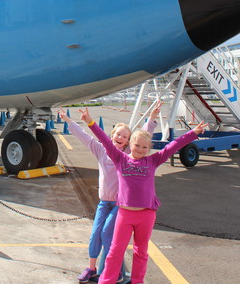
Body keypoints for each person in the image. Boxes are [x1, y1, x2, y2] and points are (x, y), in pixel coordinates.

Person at [83, 113, 207, 284]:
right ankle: (107, 280)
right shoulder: (120, 159)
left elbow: (173, 146)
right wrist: (90, 122)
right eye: (137, 145)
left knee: (141, 252)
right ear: (130, 145)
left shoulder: (153, 161)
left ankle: (137, 281)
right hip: (124, 214)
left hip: (146, 215)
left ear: (148, 149)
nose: (140, 149)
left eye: (144, 147)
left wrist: (193, 133)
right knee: (115, 251)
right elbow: (104, 140)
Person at [59, 103, 162, 283]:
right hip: (103, 202)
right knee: (95, 234)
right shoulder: (101, 150)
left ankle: (118, 271)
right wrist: (68, 120)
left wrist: (152, 119)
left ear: (128, 141)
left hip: (119, 204)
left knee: (108, 233)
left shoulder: (127, 155)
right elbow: (84, 136)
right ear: (111, 135)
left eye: (125, 136)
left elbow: (145, 134)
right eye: (118, 134)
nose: (121, 137)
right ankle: (91, 268)